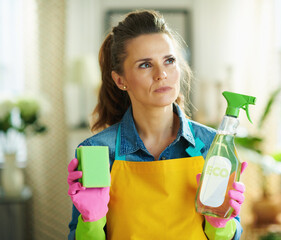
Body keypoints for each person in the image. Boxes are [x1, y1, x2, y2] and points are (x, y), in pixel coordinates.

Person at [67, 9, 247, 240]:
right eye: (145, 65)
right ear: (120, 80)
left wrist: (221, 225)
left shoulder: (212, 146)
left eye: (169, 61)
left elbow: (229, 236)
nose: (162, 74)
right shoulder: (98, 152)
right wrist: (90, 222)